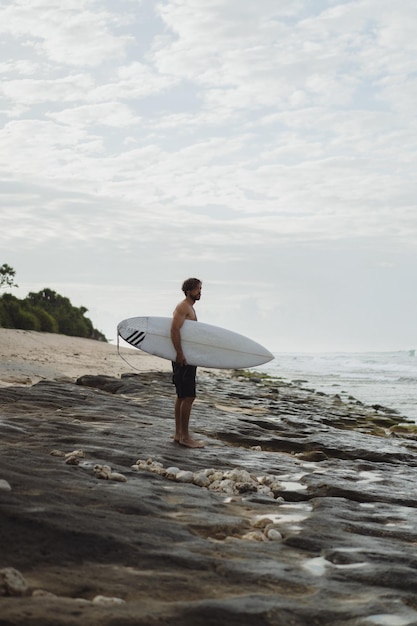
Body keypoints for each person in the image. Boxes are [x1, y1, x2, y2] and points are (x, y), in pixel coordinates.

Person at [171, 278, 204, 448]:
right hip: (183, 357)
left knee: (182, 396)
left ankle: (179, 434)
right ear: (189, 290)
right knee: (189, 396)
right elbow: (174, 329)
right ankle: (185, 437)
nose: (200, 292)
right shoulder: (184, 306)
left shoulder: (189, 308)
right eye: (198, 289)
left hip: (186, 356)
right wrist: (179, 353)